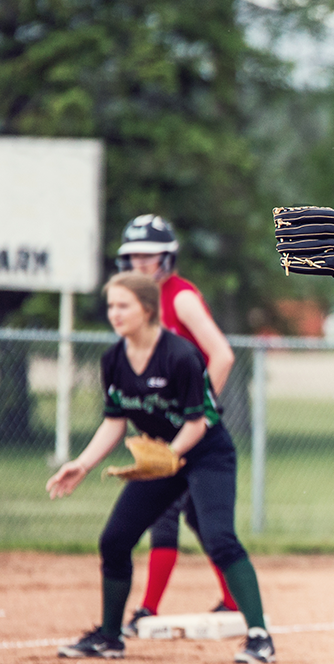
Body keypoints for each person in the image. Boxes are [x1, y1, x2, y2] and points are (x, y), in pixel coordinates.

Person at [46, 271, 275, 664]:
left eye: (123, 305)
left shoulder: (179, 355)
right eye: (111, 306)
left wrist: (169, 455)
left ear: (148, 310)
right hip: (162, 459)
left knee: (219, 537)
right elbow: (115, 420)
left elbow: (199, 420)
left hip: (206, 454)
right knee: (115, 540)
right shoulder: (114, 359)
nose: (114, 314)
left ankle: (259, 637)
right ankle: (110, 636)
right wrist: (82, 464)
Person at [112, 215, 240, 636]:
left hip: (191, 429)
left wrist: (201, 411)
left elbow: (221, 355)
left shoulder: (179, 297)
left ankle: (149, 608)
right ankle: (224, 600)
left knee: (189, 516)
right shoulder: (135, 302)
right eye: (133, 254)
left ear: (166, 258)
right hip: (165, 430)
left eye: (147, 255)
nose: (139, 262)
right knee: (185, 517)